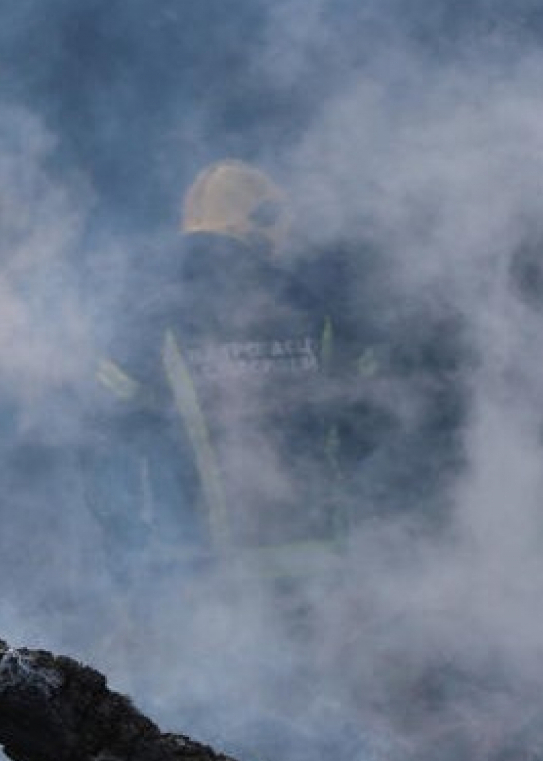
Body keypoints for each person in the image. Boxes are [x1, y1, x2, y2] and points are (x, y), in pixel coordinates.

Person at [87, 160, 390, 600]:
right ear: (260, 219)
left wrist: (131, 540)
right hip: (316, 570)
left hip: (193, 574)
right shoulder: (312, 307)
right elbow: (373, 411)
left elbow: (98, 433)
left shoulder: (150, 313)